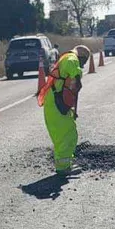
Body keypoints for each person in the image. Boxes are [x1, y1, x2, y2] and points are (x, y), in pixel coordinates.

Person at [38, 45, 90, 175]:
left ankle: (65, 164)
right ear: (82, 57)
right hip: (56, 101)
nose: (83, 65)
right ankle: (63, 168)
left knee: (64, 134)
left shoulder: (67, 58)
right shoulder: (72, 59)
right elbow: (75, 76)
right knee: (66, 135)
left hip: (56, 100)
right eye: (84, 62)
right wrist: (78, 76)